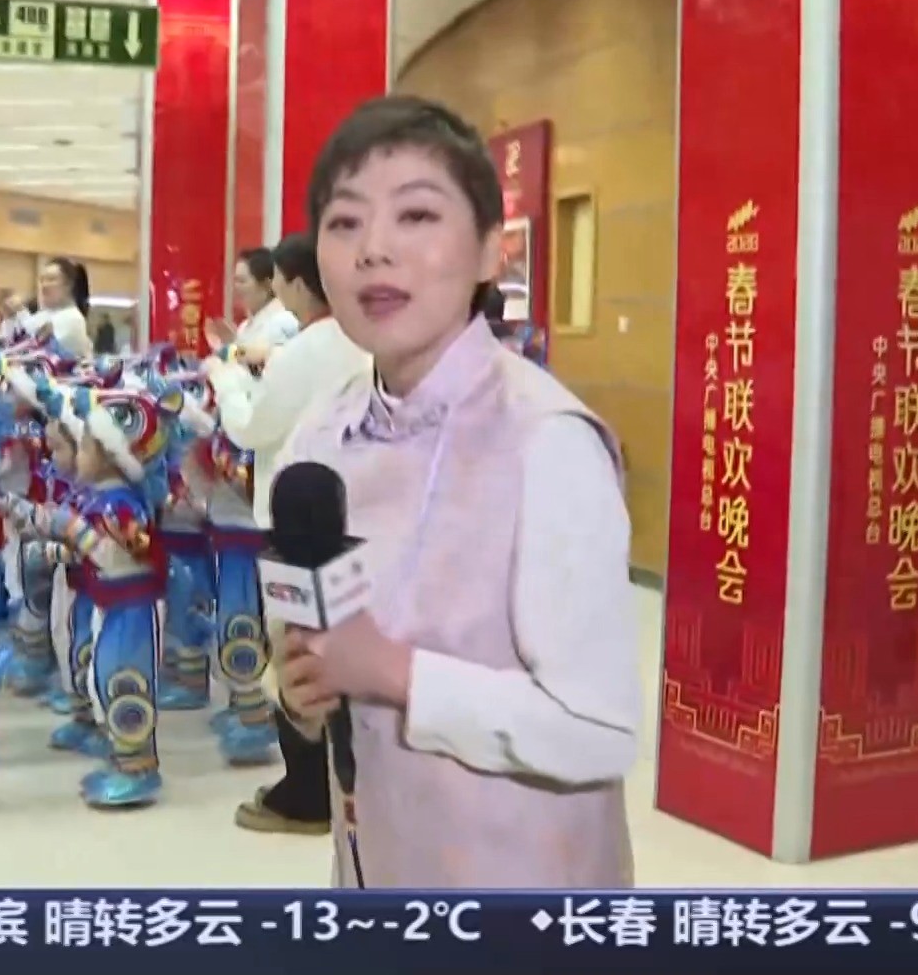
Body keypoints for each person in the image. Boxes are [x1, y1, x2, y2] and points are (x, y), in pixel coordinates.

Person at [273, 95, 641, 888]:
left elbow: (598, 730)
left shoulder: (546, 441)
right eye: (345, 222)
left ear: (490, 253)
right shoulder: (319, 437)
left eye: (416, 215)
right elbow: (311, 647)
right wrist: (304, 688)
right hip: (372, 867)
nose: (374, 249)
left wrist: (394, 673)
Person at [206, 231, 368, 835]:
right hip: (350, 518)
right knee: (339, 648)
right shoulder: (360, 341)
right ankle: (341, 780)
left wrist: (225, 380)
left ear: (299, 284)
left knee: (294, 653)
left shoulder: (305, 351)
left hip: (293, 523)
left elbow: (251, 429)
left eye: (276, 282)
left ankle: (305, 794)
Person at [219, 248, 299, 361]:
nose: (236, 287)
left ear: (266, 284)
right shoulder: (244, 326)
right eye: (235, 281)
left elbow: (268, 359)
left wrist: (234, 347)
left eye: (242, 281)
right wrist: (230, 343)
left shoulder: (284, 322)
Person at [8, 258, 94, 358]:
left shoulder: (73, 318)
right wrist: (15, 313)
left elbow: (36, 345)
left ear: (68, 285)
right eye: (42, 280)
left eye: (51, 279)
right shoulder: (44, 314)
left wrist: (20, 312)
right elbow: (21, 334)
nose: (44, 285)